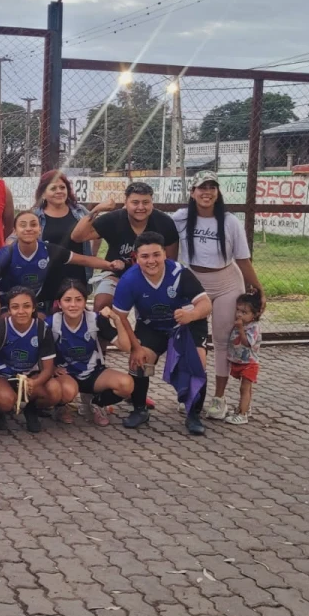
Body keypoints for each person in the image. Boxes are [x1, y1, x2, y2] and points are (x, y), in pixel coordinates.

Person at [171, 171, 265, 421]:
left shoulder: (230, 221)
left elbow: (243, 259)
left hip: (226, 282)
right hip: (194, 283)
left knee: (223, 341)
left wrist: (258, 287)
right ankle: (191, 393)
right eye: (202, 187)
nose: (207, 192)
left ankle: (219, 399)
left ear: (218, 192)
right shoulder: (181, 218)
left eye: (212, 187)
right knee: (190, 339)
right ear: (192, 192)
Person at [112, 232, 213, 435]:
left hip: (186, 324)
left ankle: (193, 414)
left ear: (165, 254)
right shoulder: (129, 280)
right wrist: (136, 347)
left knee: (198, 360)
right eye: (145, 256)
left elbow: (206, 304)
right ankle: (140, 409)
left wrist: (190, 315)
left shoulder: (179, 273)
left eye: (156, 255)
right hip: (152, 326)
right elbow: (120, 317)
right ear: (136, 257)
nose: (151, 261)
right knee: (141, 360)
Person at [0, 211, 122, 311]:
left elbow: (84, 260)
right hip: (8, 304)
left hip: (35, 304)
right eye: (23, 225)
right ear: (15, 231)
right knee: (7, 322)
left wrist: (109, 265)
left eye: (33, 225)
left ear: (40, 230)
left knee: (43, 323)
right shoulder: (8, 252)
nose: (29, 228)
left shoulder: (48, 250)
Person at [0, 286, 62, 434]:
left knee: (54, 391)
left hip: (30, 375)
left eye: (26, 306)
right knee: (5, 401)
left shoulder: (41, 328)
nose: (21, 311)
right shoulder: (0, 327)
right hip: (2, 375)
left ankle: (31, 409)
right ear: (8, 310)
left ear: (34, 307)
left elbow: (48, 369)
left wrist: (35, 382)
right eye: (15, 307)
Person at [70, 181, 179, 313]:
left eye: (146, 202)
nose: (140, 207)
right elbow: (77, 236)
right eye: (135, 202)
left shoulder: (164, 222)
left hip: (151, 275)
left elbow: (171, 259)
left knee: (156, 310)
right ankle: (105, 332)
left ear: (152, 203)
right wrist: (97, 209)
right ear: (126, 202)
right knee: (101, 304)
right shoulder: (114, 219)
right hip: (116, 273)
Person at [49, 280, 134, 426]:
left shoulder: (95, 320)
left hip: (92, 373)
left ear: (84, 301)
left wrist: (117, 319)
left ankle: (97, 404)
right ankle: (61, 407)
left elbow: (126, 347)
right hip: (66, 375)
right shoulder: (52, 323)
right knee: (67, 391)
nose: (73, 305)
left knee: (126, 385)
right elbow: (40, 352)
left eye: (78, 300)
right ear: (59, 303)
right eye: (67, 300)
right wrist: (52, 369)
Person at [32, 170, 96, 288]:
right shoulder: (34, 216)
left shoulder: (81, 211)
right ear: (43, 194)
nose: (59, 191)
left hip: (77, 276)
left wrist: (92, 255)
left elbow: (98, 230)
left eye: (62, 187)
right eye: (53, 188)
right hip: (46, 278)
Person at [223, 290, 262, 425]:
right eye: (238, 310)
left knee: (244, 389)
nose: (239, 314)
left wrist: (240, 329)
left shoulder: (252, 327)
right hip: (240, 361)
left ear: (255, 314)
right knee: (246, 388)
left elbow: (247, 343)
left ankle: (242, 414)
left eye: (244, 312)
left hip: (249, 363)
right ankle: (246, 408)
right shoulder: (241, 323)